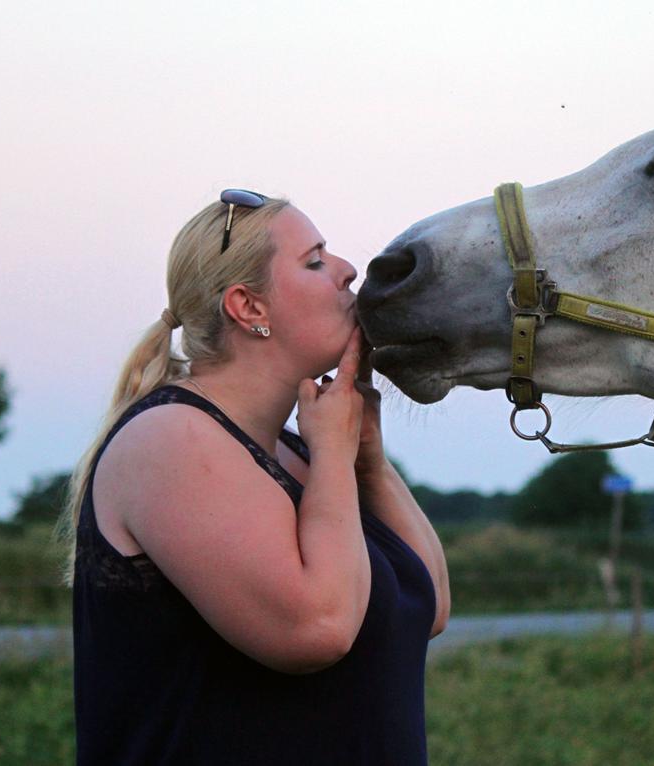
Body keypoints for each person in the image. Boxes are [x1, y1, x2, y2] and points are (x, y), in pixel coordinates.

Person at [65, 190, 450, 765]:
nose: (348, 270)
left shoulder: (300, 453)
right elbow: (317, 627)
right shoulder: (172, 439)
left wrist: (366, 460)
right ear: (249, 308)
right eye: (315, 261)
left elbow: (431, 605)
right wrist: (333, 455)